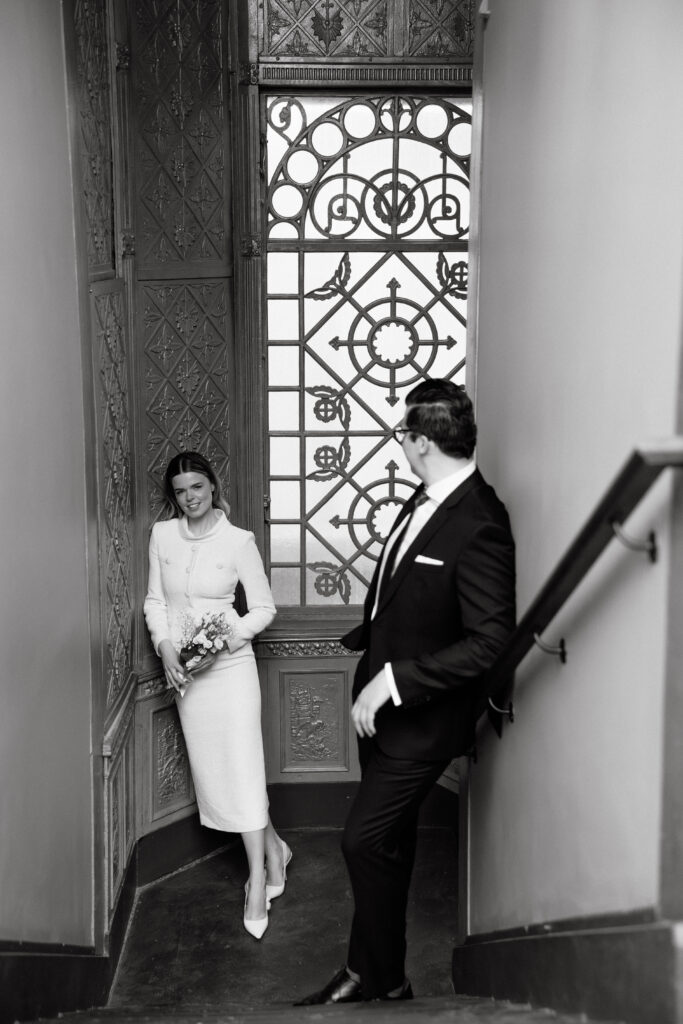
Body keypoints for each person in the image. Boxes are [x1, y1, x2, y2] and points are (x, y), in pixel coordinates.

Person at [296, 379, 516, 1003]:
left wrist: (398, 678)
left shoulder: (481, 523)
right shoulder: (420, 499)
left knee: (362, 839)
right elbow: (404, 586)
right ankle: (375, 975)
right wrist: (371, 641)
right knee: (388, 845)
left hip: (422, 721)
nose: (401, 443)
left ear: (420, 442)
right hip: (380, 710)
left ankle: (378, 973)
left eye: (403, 434)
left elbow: (490, 642)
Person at [144, 451, 291, 941]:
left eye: (197, 488)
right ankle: (275, 850)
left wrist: (221, 643)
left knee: (245, 770)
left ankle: (256, 881)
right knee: (222, 776)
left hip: (230, 671)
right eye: (181, 491)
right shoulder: (163, 536)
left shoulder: (238, 541)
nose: (190, 498)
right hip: (186, 677)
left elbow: (264, 609)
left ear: (213, 486)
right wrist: (167, 651)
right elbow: (156, 601)